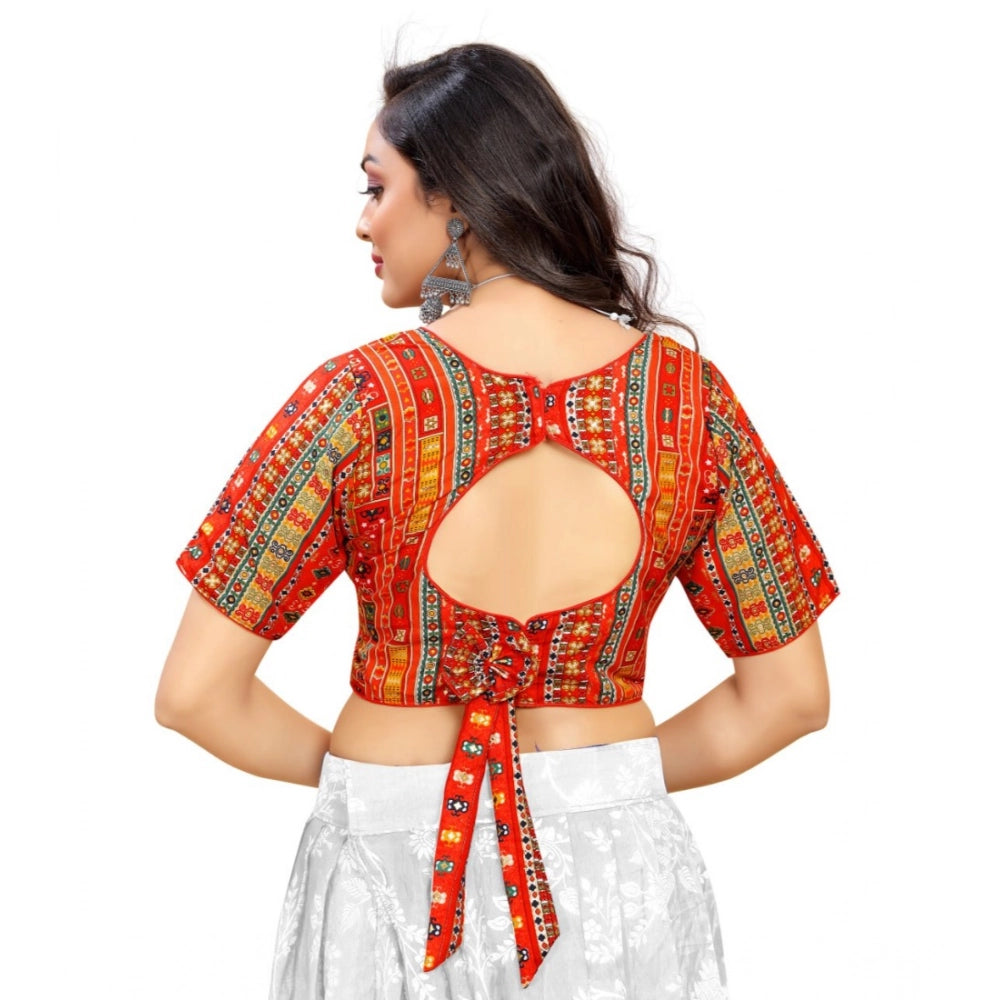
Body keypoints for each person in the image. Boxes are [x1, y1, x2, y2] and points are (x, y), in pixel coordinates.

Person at [156, 42, 838, 1000]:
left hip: (393, 858)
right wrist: (599, 783)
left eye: (377, 187)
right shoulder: (687, 401)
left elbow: (195, 694)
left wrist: (375, 784)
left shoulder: (361, 398)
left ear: (456, 200)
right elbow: (790, 698)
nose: (363, 220)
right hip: (616, 864)